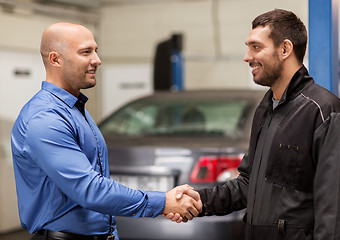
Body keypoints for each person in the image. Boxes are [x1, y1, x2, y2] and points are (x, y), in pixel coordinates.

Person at [168, 9, 340, 240]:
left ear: (285, 49)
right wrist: (200, 201)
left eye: (256, 47)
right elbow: (248, 185)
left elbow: (335, 212)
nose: (247, 57)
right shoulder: (265, 109)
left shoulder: (325, 112)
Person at [11, 22, 201, 240]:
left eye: (96, 50)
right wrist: (164, 203)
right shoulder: (45, 119)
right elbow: (90, 190)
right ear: (55, 59)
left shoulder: (74, 109)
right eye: (86, 52)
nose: (97, 60)